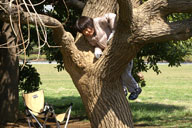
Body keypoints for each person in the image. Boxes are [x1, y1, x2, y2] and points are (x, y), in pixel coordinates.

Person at [75, 13, 142, 100]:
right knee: (117, 74)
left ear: (89, 24)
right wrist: (97, 50)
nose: (87, 33)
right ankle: (123, 89)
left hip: (122, 51)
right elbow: (97, 45)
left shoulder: (98, 22)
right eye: (84, 32)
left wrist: (114, 31)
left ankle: (135, 89)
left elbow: (111, 16)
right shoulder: (89, 37)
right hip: (112, 56)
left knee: (125, 73)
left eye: (86, 29)